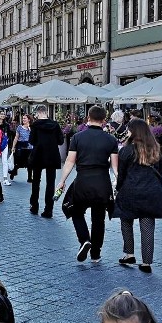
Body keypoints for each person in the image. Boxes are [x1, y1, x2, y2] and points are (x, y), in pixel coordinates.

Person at [56, 105, 119, 263]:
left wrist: (62, 181)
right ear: (104, 120)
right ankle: (96, 254)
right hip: (102, 183)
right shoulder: (111, 139)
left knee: (76, 212)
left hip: (83, 181)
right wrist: (119, 182)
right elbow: (115, 167)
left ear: (88, 118)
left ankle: (84, 239)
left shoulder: (77, 137)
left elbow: (70, 162)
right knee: (99, 219)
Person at [114, 120, 162, 274]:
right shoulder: (156, 149)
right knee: (147, 227)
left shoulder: (126, 151)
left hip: (130, 191)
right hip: (151, 192)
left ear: (133, 131)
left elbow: (121, 175)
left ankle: (129, 254)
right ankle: (146, 262)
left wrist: (118, 190)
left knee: (126, 221)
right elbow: (160, 174)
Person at [28, 105, 64, 218]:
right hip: (51, 156)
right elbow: (61, 141)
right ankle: (49, 210)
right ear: (46, 112)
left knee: (36, 181)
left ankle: (34, 206)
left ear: (38, 113)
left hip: (38, 155)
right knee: (50, 183)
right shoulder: (55, 125)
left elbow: (32, 141)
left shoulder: (35, 125)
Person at [9, 114, 33, 182]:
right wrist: (13, 146)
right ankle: (13, 172)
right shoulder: (19, 127)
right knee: (19, 163)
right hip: (21, 147)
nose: (23, 120)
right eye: (23, 118)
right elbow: (16, 137)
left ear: (29, 119)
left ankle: (29, 178)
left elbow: (34, 137)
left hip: (29, 147)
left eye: (25, 118)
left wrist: (30, 129)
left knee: (30, 163)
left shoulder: (31, 127)